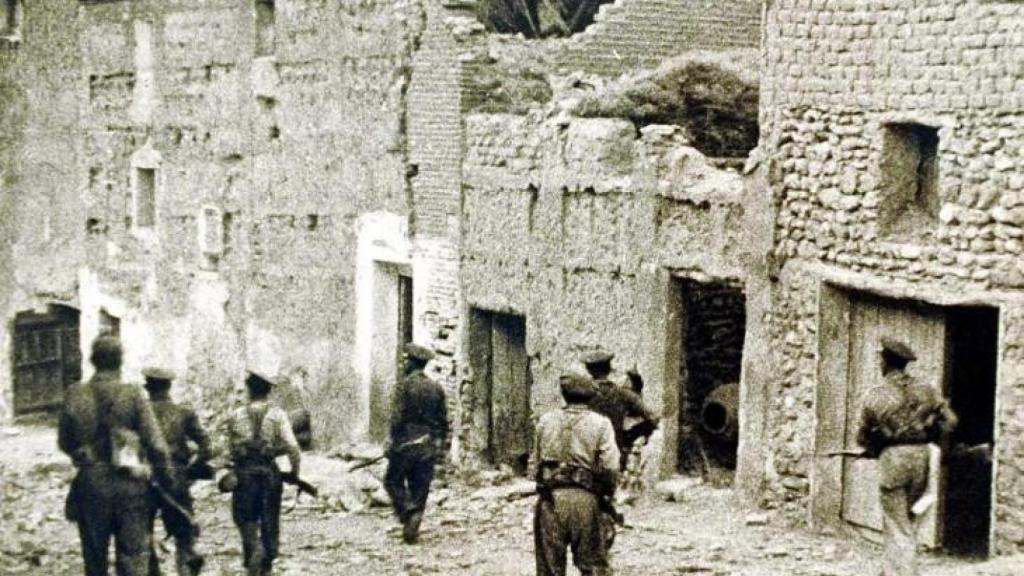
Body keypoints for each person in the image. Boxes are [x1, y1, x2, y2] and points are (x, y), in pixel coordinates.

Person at [58, 335, 176, 576]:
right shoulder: (132, 394)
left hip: (91, 484)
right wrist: (167, 480)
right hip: (130, 485)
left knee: (94, 560)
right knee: (133, 560)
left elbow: (65, 441)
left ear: (92, 360)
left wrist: (84, 454)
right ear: (120, 361)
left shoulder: (75, 393)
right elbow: (157, 446)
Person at [856, 337, 958, 576]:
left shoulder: (875, 395)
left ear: (885, 362)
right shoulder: (927, 390)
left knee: (896, 523)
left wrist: (874, 447)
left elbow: (861, 437)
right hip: (921, 456)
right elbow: (951, 422)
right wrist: (933, 438)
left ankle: (903, 573)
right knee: (907, 519)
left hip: (893, 459)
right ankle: (890, 569)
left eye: (880, 358)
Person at [532, 373, 620, 576]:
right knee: (594, 566)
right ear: (590, 396)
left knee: (549, 569)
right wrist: (606, 498)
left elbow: (535, 466)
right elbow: (610, 467)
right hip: (586, 500)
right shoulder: (601, 424)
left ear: (564, 395)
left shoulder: (545, 421)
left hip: (550, 501)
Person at [226, 371, 302, 576]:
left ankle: (254, 553)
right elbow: (293, 448)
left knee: (245, 521)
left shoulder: (235, 415)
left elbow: (229, 451)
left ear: (249, 390)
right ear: (268, 392)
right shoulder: (277, 415)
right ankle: (265, 558)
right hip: (269, 475)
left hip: (244, 476)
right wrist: (294, 474)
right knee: (270, 522)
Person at [143, 367, 212, 576]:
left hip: (146, 478)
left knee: (143, 531)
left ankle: (152, 571)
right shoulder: (184, 413)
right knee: (184, 533)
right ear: (169, 387)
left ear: (147, 387)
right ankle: (186, 569)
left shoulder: (138, 413)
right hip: (176, 477)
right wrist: (191, 469)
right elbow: (207, 446)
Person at [384, 342, 448, 544]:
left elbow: (397, 418)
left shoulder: (404, 385)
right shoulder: (436, 388)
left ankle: (408, 511)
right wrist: (438, 444)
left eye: (406, 361)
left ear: (412, 363)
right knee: (420, 485)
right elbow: (443, 421)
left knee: (392, 480)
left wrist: (392, 441)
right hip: (428, 443)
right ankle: (414, 518)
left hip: (406, 441)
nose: (404, 365)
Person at [583, 351, 659, 471]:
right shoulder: (623, 394)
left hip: (585, 453)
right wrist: (630, 436)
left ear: (588, 370)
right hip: (614, 451)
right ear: (609, 369)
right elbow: (653, 417)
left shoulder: (581, 393)